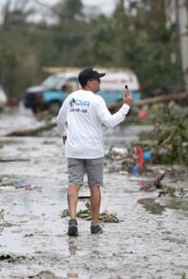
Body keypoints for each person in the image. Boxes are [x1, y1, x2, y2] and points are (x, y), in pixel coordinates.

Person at [56, 67, 133, 236]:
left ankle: (73, 219)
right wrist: (125, 107)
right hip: (93, 151)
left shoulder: (70, 98)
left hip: (74, 149)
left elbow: (60, 120)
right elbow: (110, 122)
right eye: (98, 79)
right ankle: (95, 225)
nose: (100, 83)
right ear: (89, 82)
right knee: (94, 187)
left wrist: (64, 135)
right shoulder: (97, 100)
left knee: (73, 184)